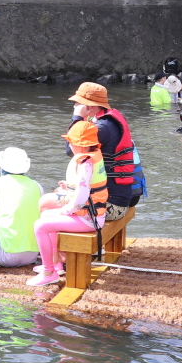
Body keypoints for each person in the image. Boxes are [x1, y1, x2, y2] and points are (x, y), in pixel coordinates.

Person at [30, 121, 107, 287]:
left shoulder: (85, 162)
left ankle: (48, 272)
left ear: (79, 145)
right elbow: (86, 188)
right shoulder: (92, 157)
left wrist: (66, 210)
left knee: (40, 226)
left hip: (89, 219)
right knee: (46, 216)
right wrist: (69, 188)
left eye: (70, 142)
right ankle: (55, 265)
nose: (69, 144)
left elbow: (82, 196)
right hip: (92, 214)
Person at [64, 82, 143, 221]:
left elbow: (70, 150)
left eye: (77, 103)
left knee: (47, 202)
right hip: (122, 198)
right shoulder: (108, 120)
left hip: (112, 206)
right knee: (61, 192)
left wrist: (77, 117)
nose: (74, 106)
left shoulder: (102, 127)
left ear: (88, 106)